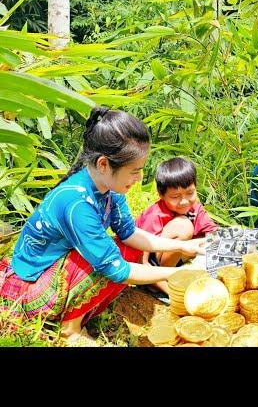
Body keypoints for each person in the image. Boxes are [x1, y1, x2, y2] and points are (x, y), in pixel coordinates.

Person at [0, 107, 205, 344]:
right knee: (106, 260)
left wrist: (182, 247)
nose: (138, 179)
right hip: (33, 285)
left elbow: (129, 233)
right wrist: (178, 273)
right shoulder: (76, 203)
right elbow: (117, 269)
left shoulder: (108, 188)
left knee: (129, 248)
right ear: (104, 164)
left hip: (60, 265)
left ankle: (77, 313)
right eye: (134, 171)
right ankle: (70, 330)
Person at [136, 157, 217, 296]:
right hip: (150, 270)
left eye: (190, 193)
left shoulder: (195, 207)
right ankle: (165, 282)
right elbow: (141, 262)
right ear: (161, 194)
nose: (184, 201)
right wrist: (171, 293)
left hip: (177, 259)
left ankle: (178, 275)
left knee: (209, 241)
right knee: (183, 226)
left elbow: (213, 234)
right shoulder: (154, 216)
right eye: (175, 196)